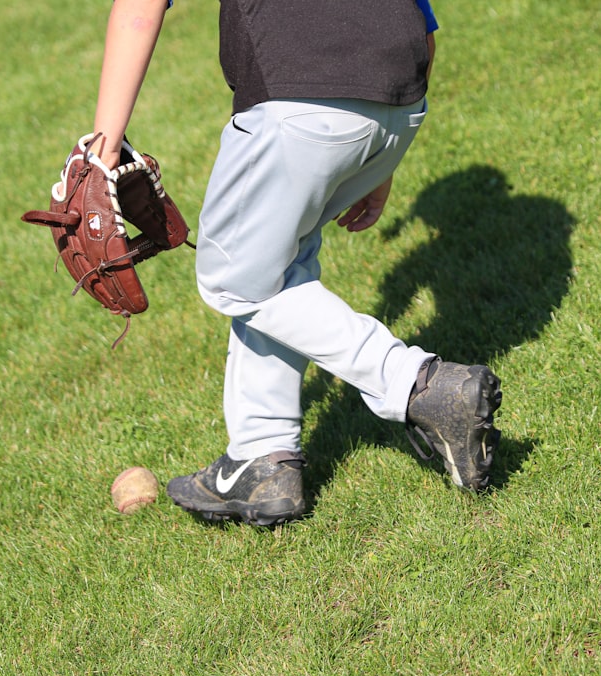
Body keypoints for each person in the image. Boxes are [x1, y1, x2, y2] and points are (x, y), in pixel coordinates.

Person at [89, 0, 502, 526]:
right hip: (399, 97)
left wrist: (100, 153)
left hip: (299, 100)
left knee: (232, 280)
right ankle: (261, 460)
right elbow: (423, 26)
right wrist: (381, 160)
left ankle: (419, 384)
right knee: (277, 266)